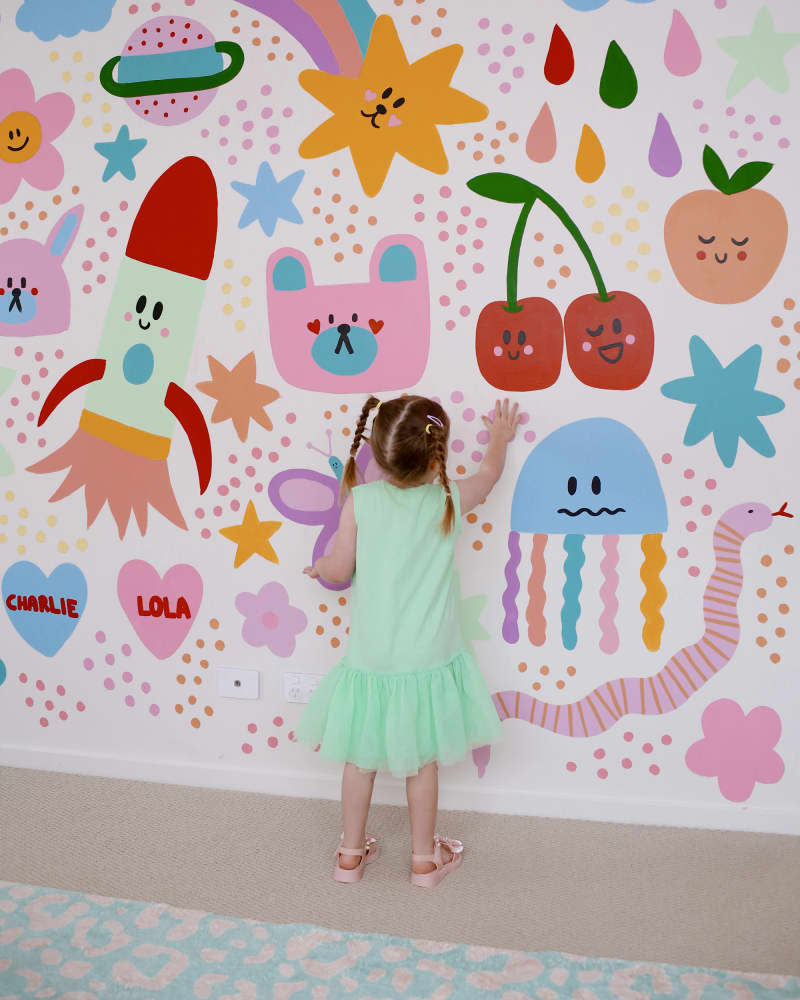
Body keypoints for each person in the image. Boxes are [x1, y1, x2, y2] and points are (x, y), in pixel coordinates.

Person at [297, 395, 521, 887]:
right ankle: (423, 860)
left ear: (376, 454)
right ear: (436, 452)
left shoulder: (362, 501)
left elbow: (338, 568)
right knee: (422, 764)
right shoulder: (449, 498)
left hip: (373, 660)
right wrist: (499, 439)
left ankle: (350, 856)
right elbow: (488, 476)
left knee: (360, 758)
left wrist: (318, 569)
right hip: (428, 659)